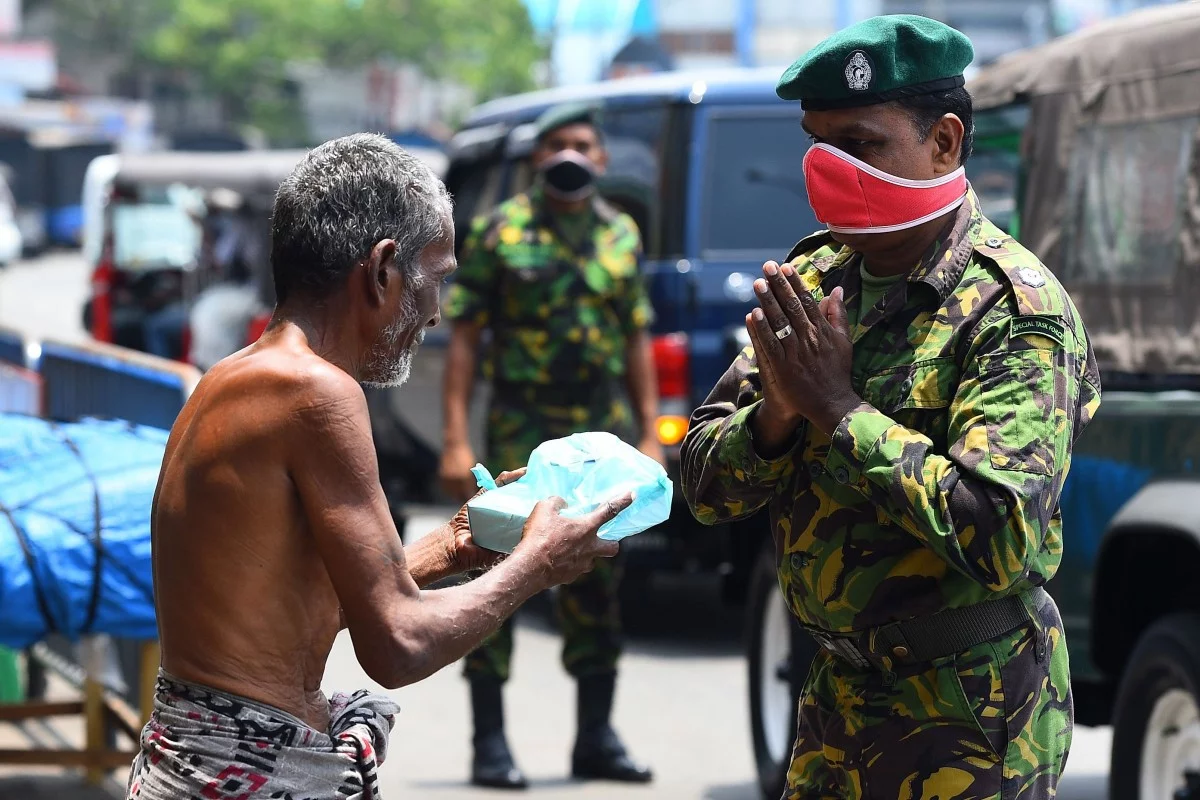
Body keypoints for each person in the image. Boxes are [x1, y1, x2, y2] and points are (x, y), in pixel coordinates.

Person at [128, 134, 633, 800]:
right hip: (242, 772)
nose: (436, 312)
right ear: (383, 269)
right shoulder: (315, 392)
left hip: (197, 758)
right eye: (439, 277)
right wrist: (535, 564)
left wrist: (453, 547)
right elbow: (397, 644)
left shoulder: (235, 377)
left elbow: (295, 606)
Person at [681, 16, 1101, 800]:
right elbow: (704, 487)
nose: (828, 168)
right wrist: (774, 416)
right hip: (836, 697)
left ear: (943, 142)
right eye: (816, 144)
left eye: (860, 142)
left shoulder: (1012, 312)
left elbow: (1002, 534)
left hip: (972, 708)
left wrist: (838, 410)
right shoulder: (814, 279)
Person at [439, 102, 659, 789]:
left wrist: (651, 429)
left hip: (599, 440)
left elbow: (635, 337)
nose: (570, 154)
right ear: (537, 157)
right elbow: (466, 340)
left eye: (583, 144)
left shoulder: (621, 234)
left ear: (601, 159)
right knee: (495, 576)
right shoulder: (498, 233)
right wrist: (453, 438)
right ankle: (490, 744)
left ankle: (595, 739)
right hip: (521, 436)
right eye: (557, 144)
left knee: (600, 582)